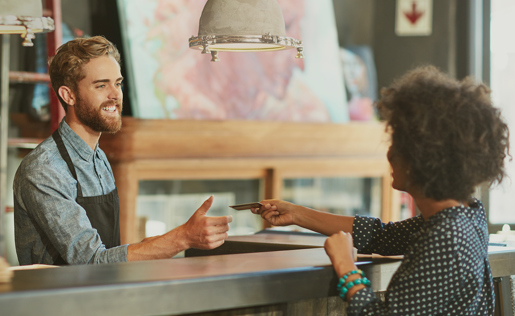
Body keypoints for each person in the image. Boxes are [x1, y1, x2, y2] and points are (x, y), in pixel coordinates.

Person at [252, 66, 510, 315]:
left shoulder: (445, 238)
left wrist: (345, 266)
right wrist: (296, 214)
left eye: (397, 142)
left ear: (424, 157)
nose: (389, 153)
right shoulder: (464, 216)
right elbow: (380, 236)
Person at [13, 36, 232, 265]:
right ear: (69, 95)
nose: (114, 94)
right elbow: (91, 261)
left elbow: (110, 252)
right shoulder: (45, 169)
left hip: (103, 295)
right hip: (59, 300)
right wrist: (182, 238)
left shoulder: (98, 158)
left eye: (117, 83)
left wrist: (185, 235)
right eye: (101, 85)